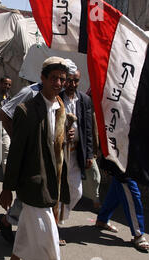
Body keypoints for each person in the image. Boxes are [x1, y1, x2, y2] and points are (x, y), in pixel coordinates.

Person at [0, 57, 73, 260]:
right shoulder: (27, 110)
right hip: (33, 182)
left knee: (25, 230)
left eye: (62, 79)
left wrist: (68, 137)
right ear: (43, 78)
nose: (58, 83)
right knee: (47, 234)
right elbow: (16, 152)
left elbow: (56, 144)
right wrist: (7, 188)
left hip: (53, 181)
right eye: (54, 78)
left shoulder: (61, 107)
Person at [0, 81, 42, 244]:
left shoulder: (60, 98)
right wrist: (18, 141)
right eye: (55, 78)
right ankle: (8, 221)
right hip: (30, 156)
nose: (61, 83)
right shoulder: (30, 92)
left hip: (49, 157)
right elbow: (4, 114)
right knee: (29, 195)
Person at [58, 60, 93, 223]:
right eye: (70, 80)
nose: (73, 84)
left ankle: (60, 217)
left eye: (76, 80)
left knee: (76, 191)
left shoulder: (84, 100)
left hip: (76, 152)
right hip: (60, 152)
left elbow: (88, 129)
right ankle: (55, 225)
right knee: (58, 188)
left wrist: (90, 154)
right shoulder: (57, 98)